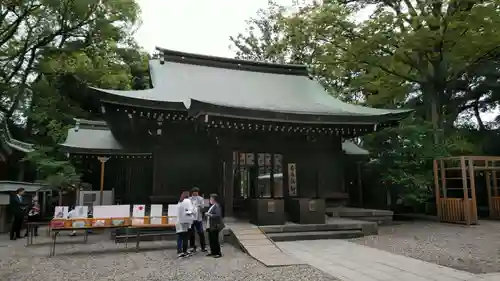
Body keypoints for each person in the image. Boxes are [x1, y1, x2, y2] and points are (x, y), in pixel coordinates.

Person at [176, 191, 194, 258]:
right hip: (185, 222)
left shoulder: (180, 202)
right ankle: (184, 251)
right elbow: (190, 211)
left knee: (179, 237)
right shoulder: (187, 201)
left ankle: (179, 251)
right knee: (185, 238)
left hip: (178, 221)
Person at [205, 193, 224, 258]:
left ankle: (218, 252)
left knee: (215, 239)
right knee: (211, 239)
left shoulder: (217, 206)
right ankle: (213, 251)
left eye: (211, 198)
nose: (210, 200)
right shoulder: (212, 205)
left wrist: (209, 214)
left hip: (215, 225)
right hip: (210, 225)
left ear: (214, 199)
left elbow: (218, 215)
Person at [189, 187, 206, 253]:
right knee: (191, 234)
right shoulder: (189, 199)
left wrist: (200, 206)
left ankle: (203, 247)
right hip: (191, 219)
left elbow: (203, 208)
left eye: (197, 192)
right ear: (192, 192)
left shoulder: (201, 199)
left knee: (201, 233)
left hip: (198, 218)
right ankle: (192, 247)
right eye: (195, 192)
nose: (196, 193)